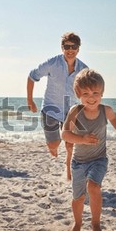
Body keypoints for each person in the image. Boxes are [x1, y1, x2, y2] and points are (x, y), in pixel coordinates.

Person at [62, 68, 116, 231]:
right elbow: (65, 134)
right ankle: (78, 222)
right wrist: (82, 139)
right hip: (78, 162)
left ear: (102, 93)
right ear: (78, 94)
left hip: (98, 159)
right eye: (85, 94)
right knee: (78, 198)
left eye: (95, 93)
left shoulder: (105, 110)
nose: (91, 98)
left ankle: (95, 223)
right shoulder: (75, 111)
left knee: (94, 187)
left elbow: (115, 119)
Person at [27, 32, 88, 180]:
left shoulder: (84, 69)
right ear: (62, 48)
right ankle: (53, 145)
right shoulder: (52, 63)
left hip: (71, 110)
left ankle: (69, 173)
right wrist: (30, 101)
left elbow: (89, 89)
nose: (70, 49)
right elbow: (31, 76)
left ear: (78, 48)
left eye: (74, 46)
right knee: (54, 145)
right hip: (50, 110)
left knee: (70, 144)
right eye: (67, 46)